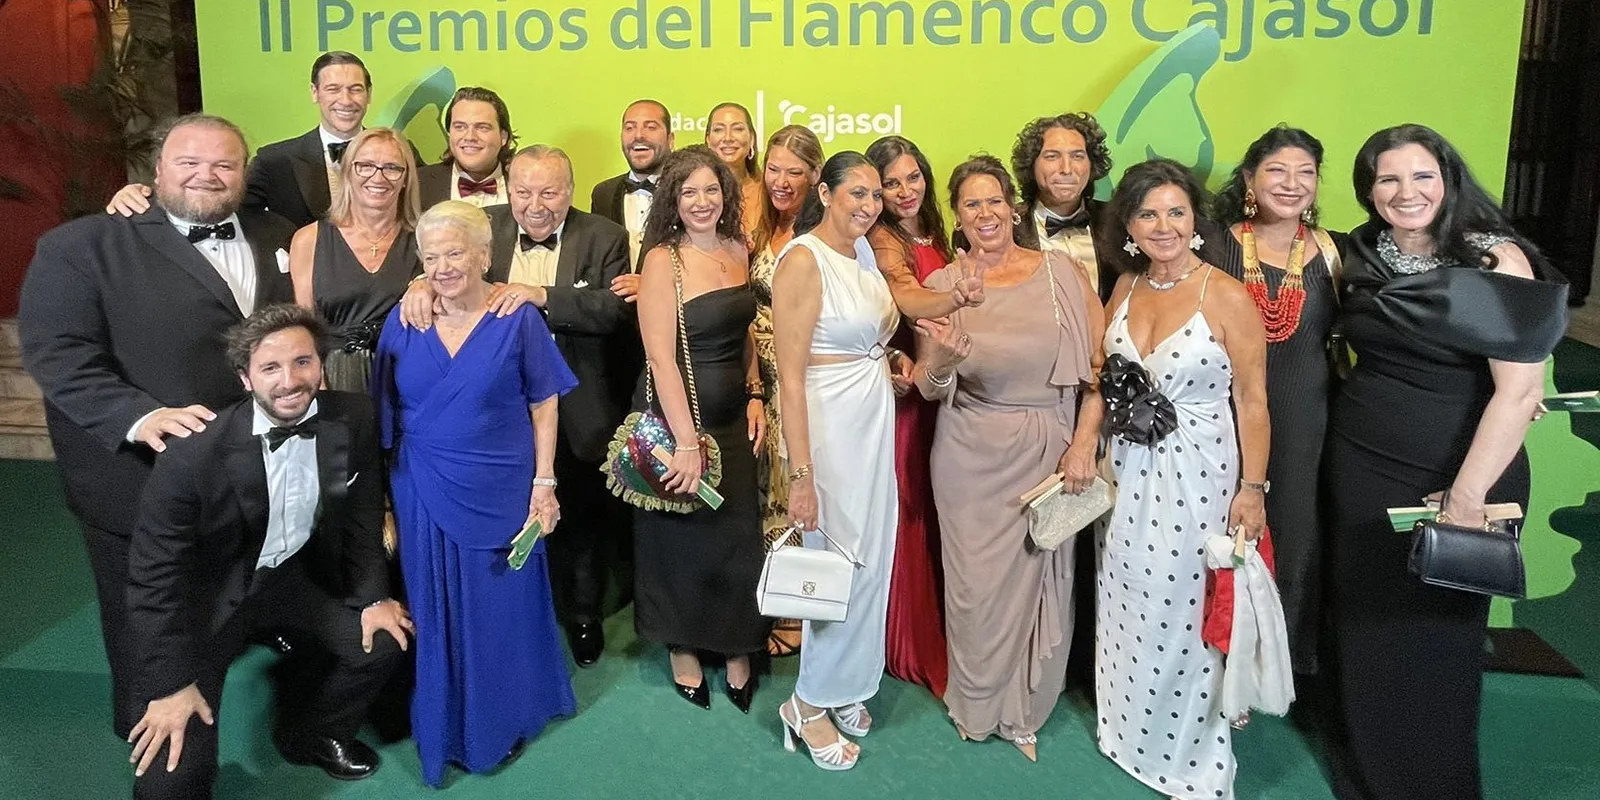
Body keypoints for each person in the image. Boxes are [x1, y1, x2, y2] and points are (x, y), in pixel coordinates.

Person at [18, 113, 295, 741]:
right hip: (137, 477)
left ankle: (215, 691)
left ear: (244, 173)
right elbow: (59, 354)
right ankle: (149, 731)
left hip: (247, 466)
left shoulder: (278, 234)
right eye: (189, 162)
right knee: (143, 613)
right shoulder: (82, 245)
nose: (207, 175)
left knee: (224, 595)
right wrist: (139, 416)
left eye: (224, 164)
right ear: (158, 169)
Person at [1325, 125, 1567, 800]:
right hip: (1363, 469)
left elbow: (1519, 392)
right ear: (1368, 190)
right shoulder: (1364, 252)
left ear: (1448, 179)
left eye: (1422, 176)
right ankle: (1367, 770)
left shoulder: (1495, 261)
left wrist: (1464, 497)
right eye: (1388, 179)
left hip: (1460, 476)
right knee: (1368, 630)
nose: (1406, 193)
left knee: (1436, 644)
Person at [124, 305, 406, 799]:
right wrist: (170, 684)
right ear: (245, 377)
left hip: (295, 576)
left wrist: (373, 596)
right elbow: (154, 576)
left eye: (303, 362)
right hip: (210, 597)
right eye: (270, 368)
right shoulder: (191, 456)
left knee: (383, 642)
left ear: (322, 365)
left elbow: (360, 515)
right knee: (172, 786)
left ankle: (314, 734)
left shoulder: (353, 415)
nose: (290, 381)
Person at [399, 144, 634, 667]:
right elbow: (443, 262)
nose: (535, 205)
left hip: (575, 407)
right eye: (524, 192)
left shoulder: (604, 235)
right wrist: (419, 281)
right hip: (494, 415)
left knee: (580, 522)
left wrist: (541, 294)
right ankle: (516, 620)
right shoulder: (483, 225)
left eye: (549, 193)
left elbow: (616, 311)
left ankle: (582, 615)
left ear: (570, 192)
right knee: (503, 520)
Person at [371, 200, 579, 786]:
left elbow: (544, 401)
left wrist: (545, 482)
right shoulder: (403, 320)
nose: (442, 266)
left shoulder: (518, 317)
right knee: (434, 610)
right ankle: (446, 722)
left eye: (455, 252)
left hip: (505, 485)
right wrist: (385, 499)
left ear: (485, 255)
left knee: (500, 607)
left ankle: (503, 717)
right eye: (430, 257)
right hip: (422, 487)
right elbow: (381, 416)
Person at [1081, 158, 1269, 799]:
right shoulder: (1126, 288)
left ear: (1195, 220)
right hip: (1127, 473)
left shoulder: (1227, 294)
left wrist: (1253, 489)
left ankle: (1190, 756)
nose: (1163, 225)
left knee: (1186, 607)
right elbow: (1102, 380)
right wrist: (1085, 446)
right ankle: (1129, 731)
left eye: (1176, 212)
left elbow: (1253, 401)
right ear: (1128, 225)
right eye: (1147, 213)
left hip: (1200, 477)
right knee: (1127, 595)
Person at [912, 154, 1103, 761]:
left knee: (1043, 577)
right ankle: (977, 703)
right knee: (973, 590)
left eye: (995, 200)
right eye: (971, 204)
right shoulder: (942, 286)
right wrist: (948, 350)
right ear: (958, 217)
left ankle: (1025, 707)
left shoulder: (1061, 273)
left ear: (1014, 207)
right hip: (968, 453)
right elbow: (928, 385)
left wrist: (1081, 444)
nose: (986, 214)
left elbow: (1099, 374)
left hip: (1051, 447)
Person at [772, 151, 903, 771]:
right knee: (834, 562)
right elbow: (789, 378)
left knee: (872, 556)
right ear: (823, 192)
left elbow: (881, 325)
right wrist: (801, 474)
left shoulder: (864, 253)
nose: (868, 204)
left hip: (871, 420)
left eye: (876, 195)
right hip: (827, 427)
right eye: (856, 192)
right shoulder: (803, 259)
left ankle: (846, 684)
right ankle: (806, 702)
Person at [631, 146, 768, 712]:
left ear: (726, 195)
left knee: (737, 537)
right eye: (689, 192)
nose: (702, 202)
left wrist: (756, 392)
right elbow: (661, 358)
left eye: (712, 190)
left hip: (735, 420)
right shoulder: (664, 260)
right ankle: (682, 646)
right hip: (677, 423)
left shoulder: (739, 249)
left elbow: (745, 333)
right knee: (678, 539)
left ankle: (738, 644)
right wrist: (686, 442)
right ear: (673, 200)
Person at [1212, 126, 1341, 676]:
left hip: (1305, 418)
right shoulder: (1212, 242)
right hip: (1222, 414)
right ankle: (1216, 661)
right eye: (1276, 171)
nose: (1291, 184)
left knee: (1291, 536)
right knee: (1218, 535)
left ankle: (1276, 669)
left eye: (1305, 172)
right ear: (1249, 179)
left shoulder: (1338, 251)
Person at [102, 51, 421, 224]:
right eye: (333, 89)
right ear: (315, 93)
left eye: (355, 89)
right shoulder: (275, 160)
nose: (346, 100)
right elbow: (216, 198)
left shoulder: (401, 153)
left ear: (368, 95)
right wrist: (144, 196)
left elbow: (424, 209)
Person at [863, 134, 954, 697]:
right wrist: (955, 300)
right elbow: (903, 296)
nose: (903, 191)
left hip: (948, 393)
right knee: (909, 508)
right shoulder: (881, 238)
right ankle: (907, 640)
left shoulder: (939, 235)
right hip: (907, 397)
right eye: (889, 183)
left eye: (912, 177)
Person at [749, 124, 824, 656]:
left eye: (793, 172)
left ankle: (800, 612)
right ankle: (770, 600)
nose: (781, 180)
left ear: (816, 177)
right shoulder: (757, 228)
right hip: (757, 381)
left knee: (795, 489)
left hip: (805, 379)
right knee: (762, 492)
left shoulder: (825, 236)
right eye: (773, 169)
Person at [286, 127, 421, 392]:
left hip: (409, 379)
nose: (378, 177)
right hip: (334, 381)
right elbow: (303, 327)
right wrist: (318, 388)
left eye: (392, 167)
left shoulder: (426, 238)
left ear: (406, 178)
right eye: (365, 166)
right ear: (347, 172)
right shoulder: (308, 239)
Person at [1012, 112, 1119, 301]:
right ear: (1031, 165)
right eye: (1052, 156)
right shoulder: (1010, 228)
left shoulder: (1118, 221)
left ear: (1092, 164)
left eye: (1077, 156)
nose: (1066, 169)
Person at [591, 98, 675, 265]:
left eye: (650, 127)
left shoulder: (685, 191)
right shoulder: (603, 194)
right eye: (629, 128)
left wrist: (649, 282)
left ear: (670, 139)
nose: (638, 135)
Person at [416, 87, 515, 209]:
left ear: (503, 137)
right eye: (460, 127)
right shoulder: (418, 184)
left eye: (482, 127)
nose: (470, 136)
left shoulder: (524, 185)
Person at [703, 102, 764, 237]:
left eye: (737, 129)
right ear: (708, 139)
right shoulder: (697, 193)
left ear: (752, 138)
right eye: (718, 130)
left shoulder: (769, 191)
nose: (728, 138)